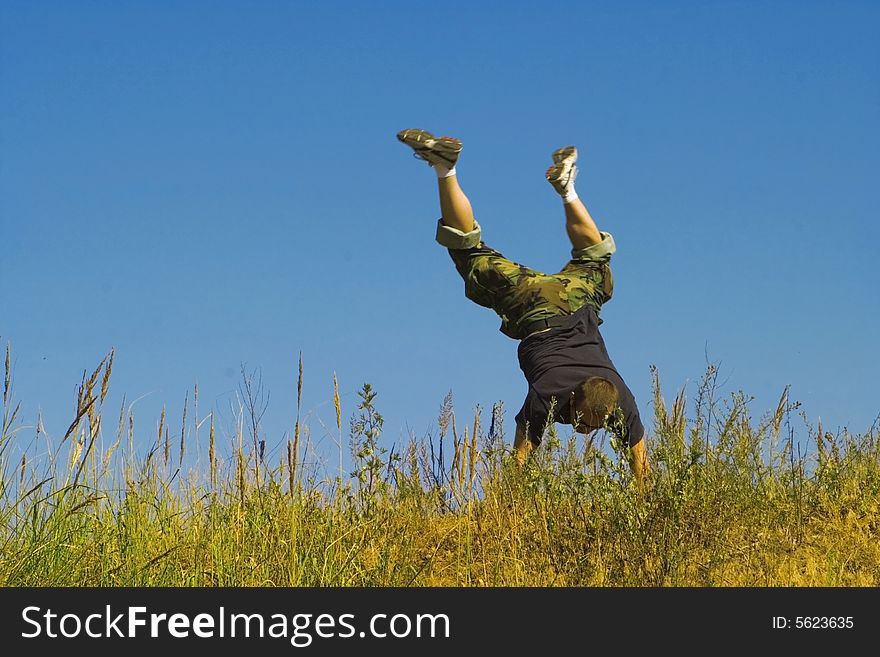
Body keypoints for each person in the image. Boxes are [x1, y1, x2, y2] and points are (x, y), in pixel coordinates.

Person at [396, 128, 649, 489]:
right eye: (583, 422)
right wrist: (508, 501)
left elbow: (642, 464)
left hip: (573, 295)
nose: (583, 430)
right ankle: (444, 168)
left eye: (592, 426)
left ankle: (567, 189)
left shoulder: (621, 399)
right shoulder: (549, 393)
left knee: (596, 259)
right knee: (468, 252)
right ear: (573, 397)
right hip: (533, 306)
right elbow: (520, 459)